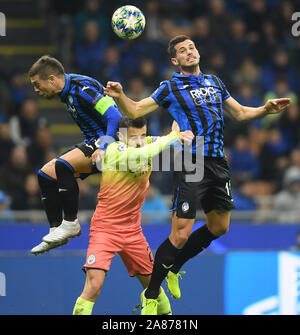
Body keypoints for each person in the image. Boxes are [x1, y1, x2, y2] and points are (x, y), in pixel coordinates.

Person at [104, 35, 291, 315]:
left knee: (220, 227)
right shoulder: (170, 87)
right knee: (180, 233)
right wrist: (120, 97)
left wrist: (265, 110)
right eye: (182, 51)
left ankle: (174, 268)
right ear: (175, 61)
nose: (189, 52)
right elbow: (136, 109)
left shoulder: (215, 82)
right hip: (191, 159)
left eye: (191, 48)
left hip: (217, 160)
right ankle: (151, 296)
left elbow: (239, 113)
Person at [72, 116, 194, 315]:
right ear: (120, 136)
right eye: (133, 137)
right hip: (105, 230)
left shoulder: (146, 143)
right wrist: (172, 136)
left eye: (143, 135)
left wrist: (181, 136)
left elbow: (159, 143)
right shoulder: (114, 150)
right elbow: (149, 151)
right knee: (94, 285)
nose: (139, 141)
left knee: (153, 287)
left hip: (133, 232)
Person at [28, 55, 122, 255]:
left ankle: (71, 223)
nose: (36, 89)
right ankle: (56, 231)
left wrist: (104, 146)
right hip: (93, 143)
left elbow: (114, 115)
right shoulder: (66, 92)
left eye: (37, 84)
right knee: (45, 174)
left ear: (52, 79)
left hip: (111, 143)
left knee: (63, 166)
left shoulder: (82, 88)